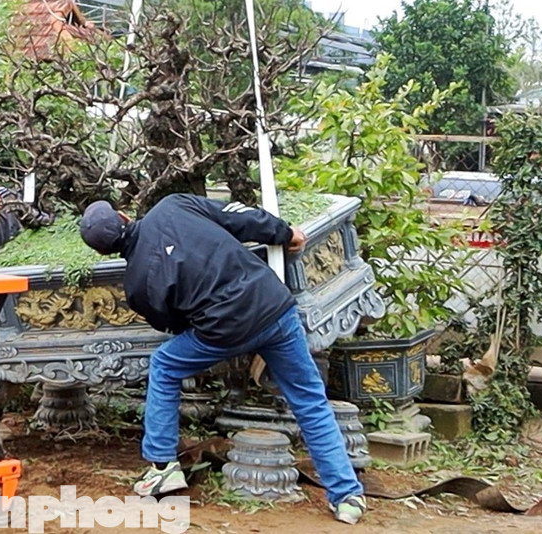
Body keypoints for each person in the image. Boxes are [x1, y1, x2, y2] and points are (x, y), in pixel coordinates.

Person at [78, 194, 367, 525]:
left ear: (103, 252)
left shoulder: (136, 286)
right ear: (124, 215)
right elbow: (239, 217)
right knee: (309, 401)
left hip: (222, 332)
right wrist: (286, 234)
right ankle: (347, 497)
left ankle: (162, 466)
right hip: (272, 306)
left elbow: (175, 325)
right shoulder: (173, 206)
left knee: (165, 364)